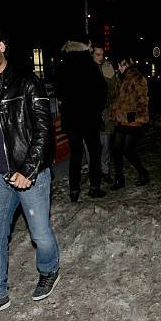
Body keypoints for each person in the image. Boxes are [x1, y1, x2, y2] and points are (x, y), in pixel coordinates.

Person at [0, 23, 61, 321]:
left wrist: (28, 170)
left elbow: (44, 131)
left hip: (30, 173)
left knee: (40, 235)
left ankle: (49, 270)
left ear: (2, 45)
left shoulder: (27, 81)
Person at [56, 33, 108, 202]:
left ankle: (74, 190)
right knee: (94, 152)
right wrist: (96, 110)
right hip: (89, 118)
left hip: (71, 120)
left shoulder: (64, 63)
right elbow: (102, 91)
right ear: (86, 44)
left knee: (76, 155)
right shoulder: (89, 64)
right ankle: (94, 187)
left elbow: (59, 91)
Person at [109, 54, 150, 189]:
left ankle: (143, 173)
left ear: (125, 64)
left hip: (133, 120)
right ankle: (120, 179)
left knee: (127, 150)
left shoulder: (137, 77)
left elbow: (142, 99)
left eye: (120, 65)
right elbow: (117, 98)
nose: (118, 68)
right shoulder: (121, 77)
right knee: (116, 149)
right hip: (122, 120)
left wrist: (138, 116)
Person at [92, 41, 119, 184]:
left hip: (105, 110)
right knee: (92, 144)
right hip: (90, 111)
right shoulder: (87, 67)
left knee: (105, 143)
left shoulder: (107, 67)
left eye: (102, 54)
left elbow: (114, 89)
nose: (101, 57)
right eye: (98, 54)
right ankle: (95, 172)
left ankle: (105, 170)